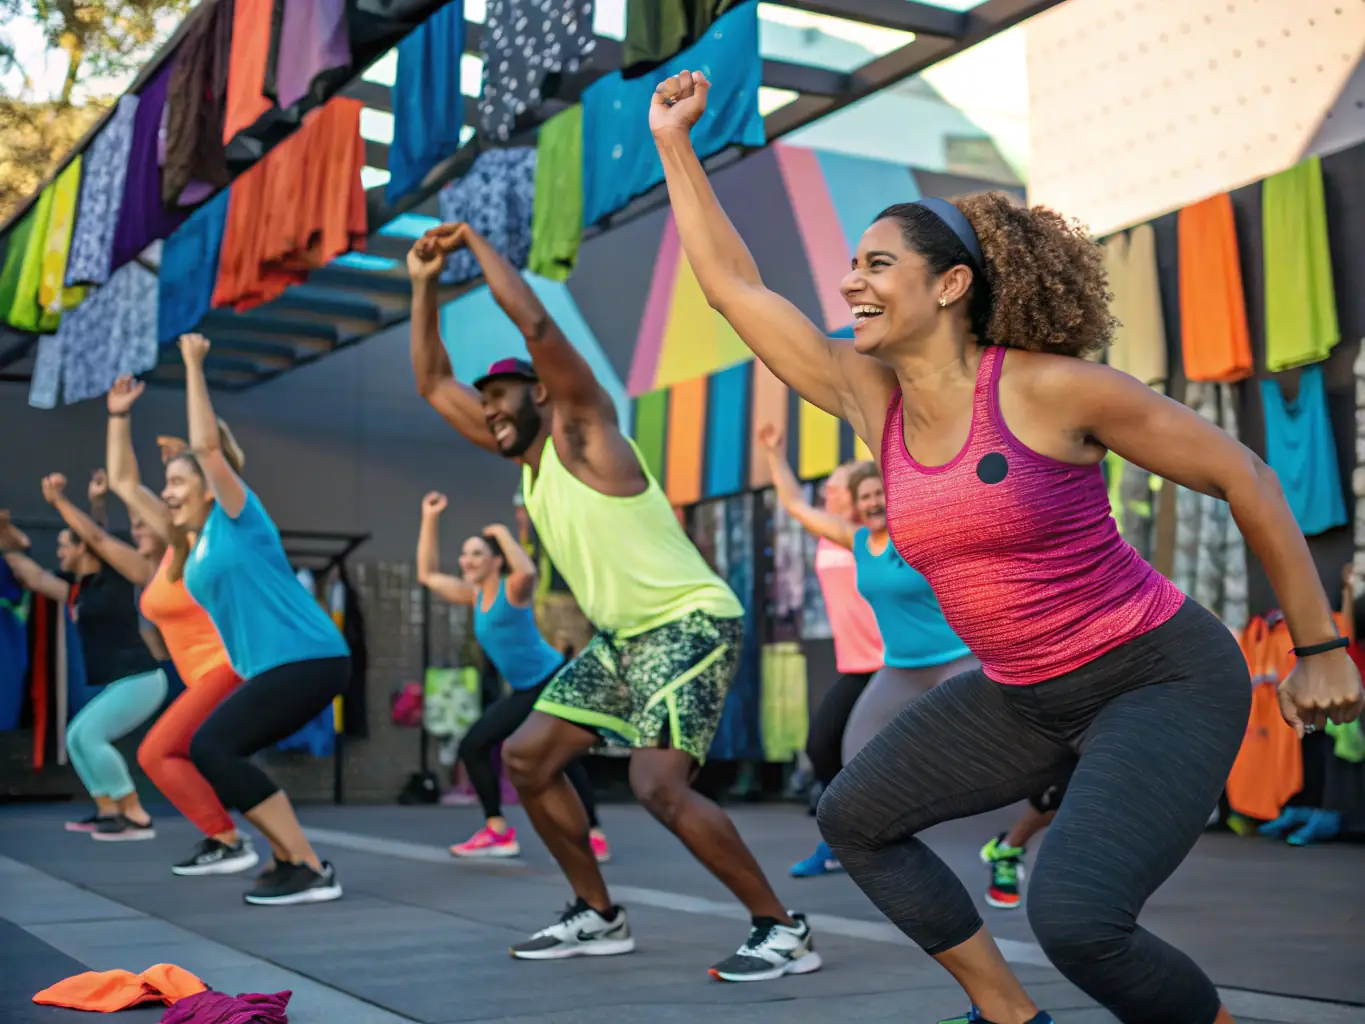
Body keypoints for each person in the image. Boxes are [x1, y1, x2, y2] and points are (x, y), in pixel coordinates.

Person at [651, 70, 1364, 1024]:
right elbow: (733, 286)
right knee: (854, 817)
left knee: (1077, 921)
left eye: (873, 264)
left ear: (949, 285)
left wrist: (1319, 647)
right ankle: (1005, 1014)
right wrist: (673, 144)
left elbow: (1245, 475)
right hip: (1020, 691)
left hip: (1156, 676)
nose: (849, 282)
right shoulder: (874, 399)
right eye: (850, 266)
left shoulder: (1051, 390)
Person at [408, 222, 818, 981]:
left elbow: (535, 324)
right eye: (485, 401)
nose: (488, 410)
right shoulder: (525, 462)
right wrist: (424, 282)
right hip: (623, 637)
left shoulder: (584, 432)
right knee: (525, 757)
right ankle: (596, 914)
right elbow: (434, 385)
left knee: (654, 785)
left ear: (538, 391)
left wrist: (474, 245)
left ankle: (781, 927)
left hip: (691, 621)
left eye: (500, 397)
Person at [173, 333, 351, 906]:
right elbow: (133, 491)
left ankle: (305, 863)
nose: (168, 492)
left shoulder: (238, 516)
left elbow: (206, 448)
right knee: (223, 750)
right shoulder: (198, 544)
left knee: (212, 748)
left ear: (209, 484)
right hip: (282, 666)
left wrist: (194, 366)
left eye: (178, 483)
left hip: (310, 656)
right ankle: (289, 858)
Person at [760, 430, 979, 877]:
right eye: (866, 496)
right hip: (899, 668)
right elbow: (797, 507)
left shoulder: (915, 532)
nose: (875, 501)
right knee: (851, 749)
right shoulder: (855, 540)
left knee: (992, 739)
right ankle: (864, 839)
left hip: (956, 658)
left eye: (881, 492)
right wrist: (774, 454)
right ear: (857, 505)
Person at [103, 373, 260, 878]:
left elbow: (216, 460)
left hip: (228, 666)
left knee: (157, 751)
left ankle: (227, 839)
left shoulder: (214, 538)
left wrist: (199, 446)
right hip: (203, 675)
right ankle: (262, 842)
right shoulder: (175, 543)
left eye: (176, 483)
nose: (165, 493)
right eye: (165, 484)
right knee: (198, 754)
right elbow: (126, 482)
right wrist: (119, 415)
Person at [415, 491, 611, 862]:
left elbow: (528, 571)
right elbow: (427, 574)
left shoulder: (514, 591)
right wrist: (429, 517)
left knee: (563, 757)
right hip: (525, 689)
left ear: (494, 561)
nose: (467, 560)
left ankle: (594, 834)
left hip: (553, 679)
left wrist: (505, 533)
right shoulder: (473, 596)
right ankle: (497, 831)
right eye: (465, 553)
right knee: (474, 746)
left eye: (476, 553)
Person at [0, 479, 167, 841]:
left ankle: (135, 814)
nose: (59, 552)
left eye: (64, 545)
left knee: (90, 736)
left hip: (142, 678)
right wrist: (6, 543)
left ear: (81, 547)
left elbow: (98, 538)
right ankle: (108, 809)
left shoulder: (119, 578)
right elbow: (36, 578)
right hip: (123, 681)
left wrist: (61, 500)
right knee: (76, 736)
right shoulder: (79, 591)